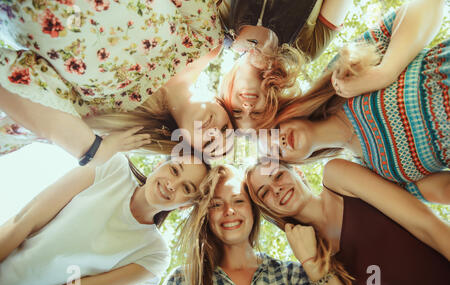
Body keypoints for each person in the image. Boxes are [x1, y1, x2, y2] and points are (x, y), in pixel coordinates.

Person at [265, 0, 449, 203]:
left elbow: (429, 5)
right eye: (276, 152)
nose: (278, 141)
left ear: (286, 114)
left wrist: (384, 74)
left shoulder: (338, 78)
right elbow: (443, 190)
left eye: (273, 131)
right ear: (293, 164)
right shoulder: (373, 175)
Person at [0, 0, 223, 155]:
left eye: (211, 142)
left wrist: (90, 152)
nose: (214, 130)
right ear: (224, 105)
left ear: (187, 143)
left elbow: (31, 92)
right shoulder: (205, 41)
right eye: (226, 127)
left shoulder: (115, 112)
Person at [0, 153, 209, 285]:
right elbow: (25, 220)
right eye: (174, 170)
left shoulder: (153, 255)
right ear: (158, 165)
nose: (172, 184)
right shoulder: (111, 166)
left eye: (186, 188)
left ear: (185, 206)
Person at [246, 160, 450, 285]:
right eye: (265, 193)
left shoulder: (337, 178)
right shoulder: (309, 260)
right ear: (269, 209)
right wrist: (311, 263)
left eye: (278, 175)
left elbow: (427, 224)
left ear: (298, 172)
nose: (276, 189)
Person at [156, 165, 355, 285]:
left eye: (238, 201)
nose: (229, 211)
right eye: (216, 205)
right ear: (205, 217)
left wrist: (313, 263)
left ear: (253, 210)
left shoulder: (295, 276)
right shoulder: (182, 282)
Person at [217, 0, 353, 130]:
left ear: (226, 94)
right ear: (270, 105)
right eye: (256, 113)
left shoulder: (219, 26)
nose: (247, 107)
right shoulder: (306, 49)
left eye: (237, 111)